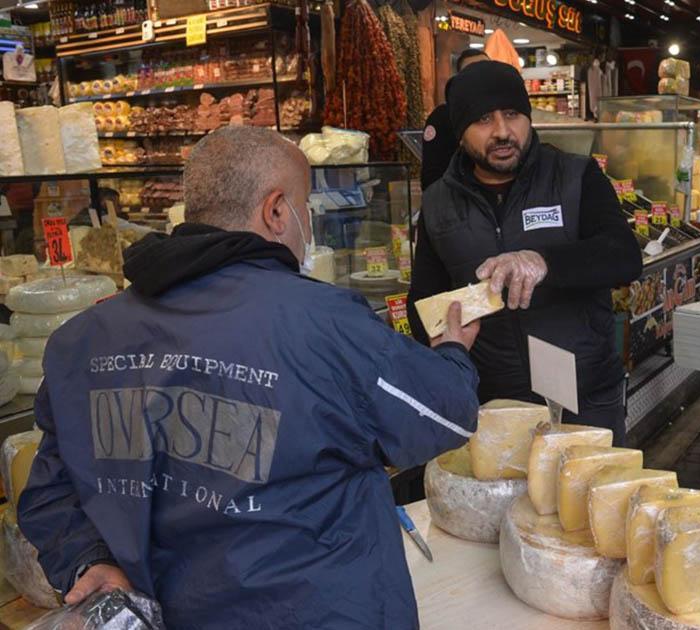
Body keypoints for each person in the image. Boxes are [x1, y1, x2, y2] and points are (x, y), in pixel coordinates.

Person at [17, 126, 482, 630]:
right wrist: (453, 349)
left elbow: (48, 489)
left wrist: (88, 559)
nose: (309, 224)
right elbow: (445, 413)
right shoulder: (323, 322)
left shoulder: (84, 339)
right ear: (277, 210)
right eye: (307, 208)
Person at [407, 61, 642, 445]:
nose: (502, 131)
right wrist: (445, 342)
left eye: (513, 114)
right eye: (483, 119)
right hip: (493, 405)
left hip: (583, 398)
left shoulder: (575, 175)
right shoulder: (437, 204)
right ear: (461, 133)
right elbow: (424, 300)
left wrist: (544, 261)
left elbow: (623, 257)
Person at [420, 49, 490, 190]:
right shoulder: (442, 117)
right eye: (472, 71)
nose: (480, 76)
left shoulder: (502, 112)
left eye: (486, 70)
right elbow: (432, 174)